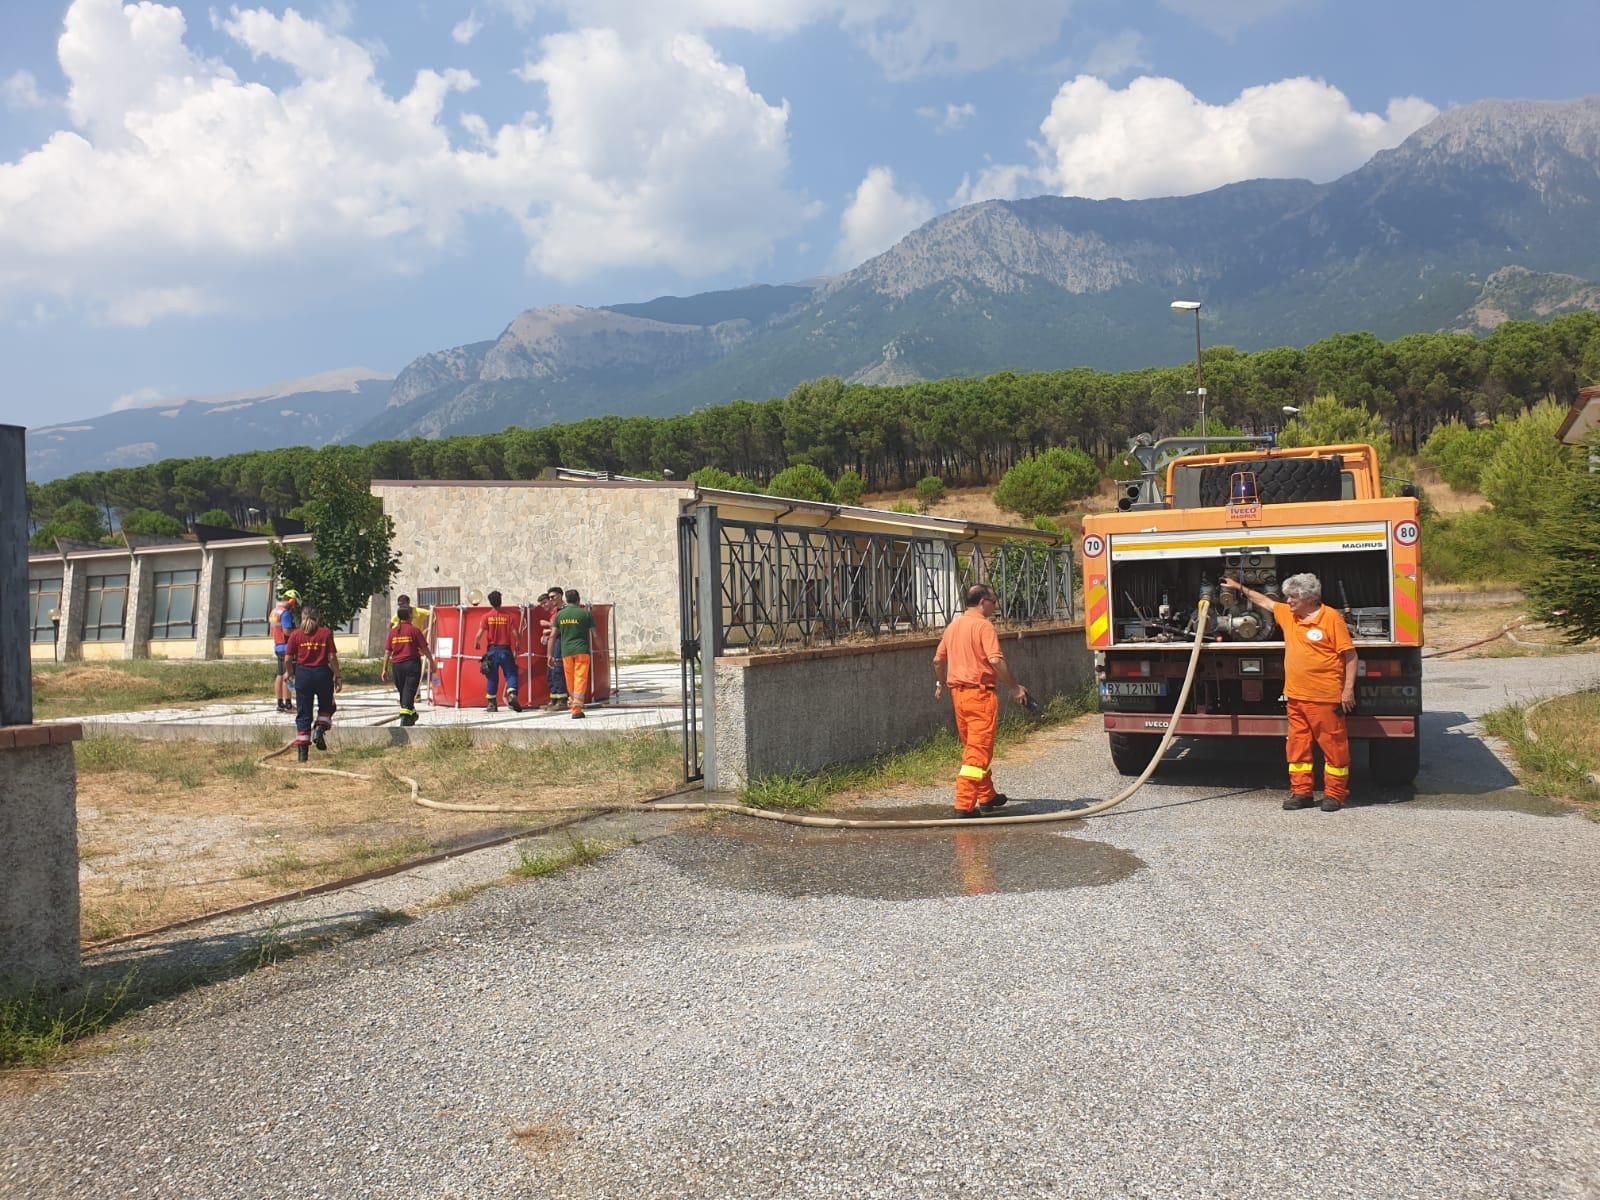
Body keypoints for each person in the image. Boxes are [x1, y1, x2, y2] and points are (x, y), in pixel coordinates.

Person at [1221, 571, 1357, 812]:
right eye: (1288, 596)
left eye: (1293, 597)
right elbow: (1266, 602)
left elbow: (1350, 656)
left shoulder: (1330, 618)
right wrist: (1238, 587)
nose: (1289, 601)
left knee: (1333, 747)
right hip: (1295, 697)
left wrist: (1347, 692)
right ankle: (1302, 793)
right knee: (1297, 747)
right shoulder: (1289, 615)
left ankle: (1335, 794)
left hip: (1325, 698)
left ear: (1309, 598)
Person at [933, 584, 1028, 817]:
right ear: (983, 601)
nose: (995, 606)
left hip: (959, 696)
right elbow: (995, 661)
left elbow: (937, 660)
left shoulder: (953, 626)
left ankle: (987, 796)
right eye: (994, 601)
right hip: (979, 694)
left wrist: (940, 684)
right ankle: (964, 805)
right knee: (977, 752)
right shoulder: (984, 626)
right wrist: (1014, 688)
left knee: (974, 745)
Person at [284, 606, 341, 763]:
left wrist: (290, 673)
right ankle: (320, 729)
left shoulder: (295, 635)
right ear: (318, 618)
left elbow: (288, 659)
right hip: (322, 674)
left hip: (303, 676)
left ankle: (303, 756)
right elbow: (332, 657)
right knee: (328, 706)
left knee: (303, 713)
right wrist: (338, 675)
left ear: (302, 617)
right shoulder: (326, 633)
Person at [381, 604, 435, 727]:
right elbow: (424, 648)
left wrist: (384, 669)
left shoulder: (392, 632)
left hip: (397, 666)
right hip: (411, 664)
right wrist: (431, 661)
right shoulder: (414, 630)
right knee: (408, 691)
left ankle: (410, 715)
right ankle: (406, 716)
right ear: (409, 616)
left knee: (404, 692)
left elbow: (387, 652)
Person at [473, 589, 522, 713]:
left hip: (492, 651)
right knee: (511, 673)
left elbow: (479, 634)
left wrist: (476, 643)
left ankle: (492, 705)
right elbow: (516, 633)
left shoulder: (486, 617)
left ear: (490, 602)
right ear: (501, 600)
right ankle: (512, 694)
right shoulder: (508, 616)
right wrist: (518, 644)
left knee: (492, 677)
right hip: (505, 650)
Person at [555, 588, 595, 719]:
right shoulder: (585, 614)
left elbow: (553, 635)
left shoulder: (560, 615)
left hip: (566, 652)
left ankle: (573, 704)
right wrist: (600, 649)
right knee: (580, 678)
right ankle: (576, 708)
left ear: (566, 600)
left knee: (570, 679)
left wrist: (550, 655)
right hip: (581, 651)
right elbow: (595, 634)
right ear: (578, 599)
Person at [270, 589, 301, 712]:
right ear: (292, 600)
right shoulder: (285, 613)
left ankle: (280, 703)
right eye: (295, 604)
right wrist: (300, 631)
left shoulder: (274, 611)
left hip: (278, 646)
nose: (295, 607)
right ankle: (288, 704)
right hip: (287, 647)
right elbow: (287, 631)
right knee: (288, 674)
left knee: (279, 674)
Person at [542, 586, 568, 710]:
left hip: (560, 642)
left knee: (558, 670)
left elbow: (560, 629)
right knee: (551, 672)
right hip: (554, 642)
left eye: (553, 597)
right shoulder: (556, 611)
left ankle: (562, 700)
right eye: (550, 597)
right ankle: (554, 699)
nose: (551, 600)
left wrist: (548, 627)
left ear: (560, 595)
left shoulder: (564, 610)